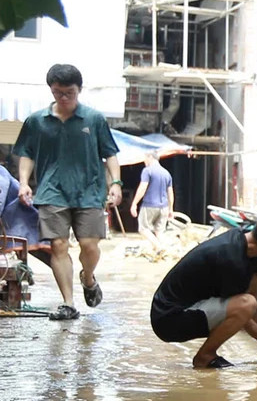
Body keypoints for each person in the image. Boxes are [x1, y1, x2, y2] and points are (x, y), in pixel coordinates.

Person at [13, 64, 121, 320]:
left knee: (89, 245)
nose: (63, 97)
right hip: (51, 192)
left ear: (79, 90)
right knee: (59, 245)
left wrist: (115, 183)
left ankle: (88, 277)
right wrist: (24, 182)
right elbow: (26, 153)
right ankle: (68, 303)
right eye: (58, 92)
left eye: (69, 92)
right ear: (51, 90)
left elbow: (110, 154)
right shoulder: (36, 121)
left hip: (89, 192)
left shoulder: (94, 119)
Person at [150, 210, 257, 370]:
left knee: (256, 278)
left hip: (185, 307)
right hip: (170, 320)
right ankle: (205, 356)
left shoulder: (249, 245)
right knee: (247, 304)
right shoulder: (231, 260)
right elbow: (244, 318)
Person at [131, 154, 175, 240]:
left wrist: (134, 203)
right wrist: (171, 209)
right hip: (164, 207)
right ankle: (165, 250)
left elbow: (143, 187)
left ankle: (158, 247)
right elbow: (170, 192)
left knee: (143, 229)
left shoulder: (147, 171)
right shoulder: (166, 173)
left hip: (149, 205)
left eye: (145, 158)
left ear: (150, 157)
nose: (144, 161)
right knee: (159, 231)